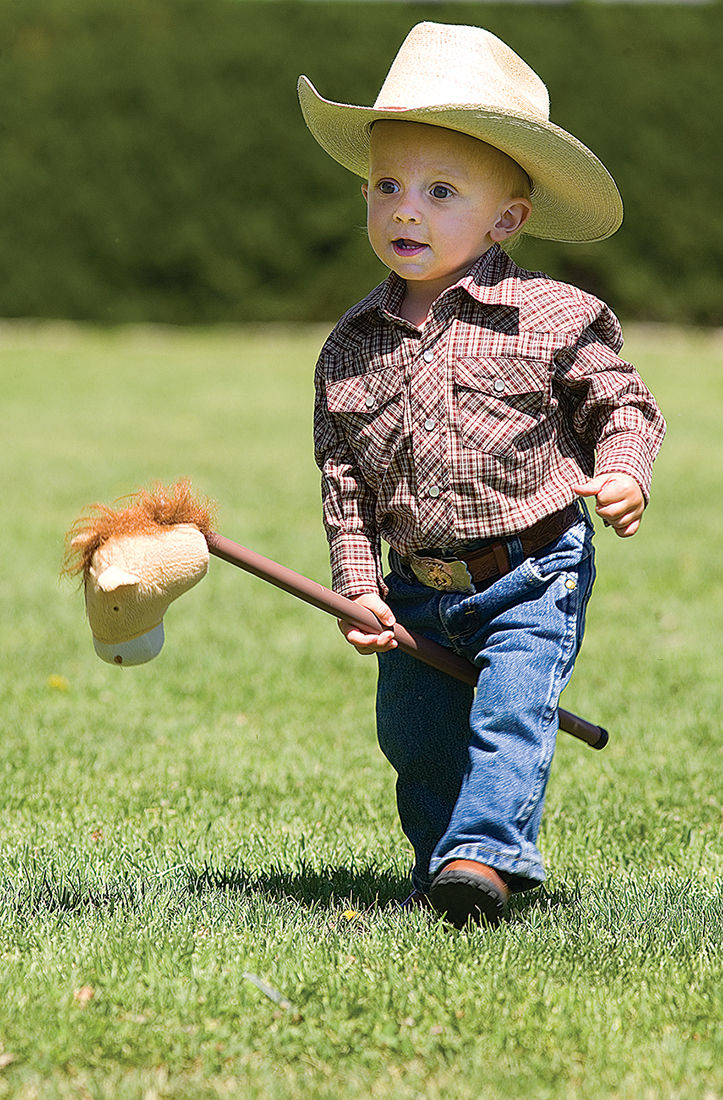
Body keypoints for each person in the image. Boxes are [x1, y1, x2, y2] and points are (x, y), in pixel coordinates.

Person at [298, 22, 665, 927]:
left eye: (440, 190)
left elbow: (622, 409)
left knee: (508, 715)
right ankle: (444, 880)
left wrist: (623, 473)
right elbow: (344, 482)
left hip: (531, 572)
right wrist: (356, 588)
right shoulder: (351, 343)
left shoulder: (553, 318)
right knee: (416, 742)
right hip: (416, 588)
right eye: (385, 185)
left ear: (506, 218)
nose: (404, 211)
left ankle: (487, 856)